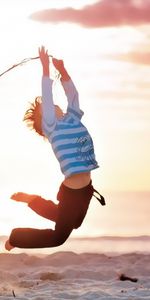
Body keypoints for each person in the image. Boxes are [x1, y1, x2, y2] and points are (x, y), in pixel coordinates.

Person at [5, 46, 105, 251]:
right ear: (45, 120)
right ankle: (15, 237)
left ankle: (33, 201)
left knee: (73, 222)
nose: (53, 106)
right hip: (72, 191)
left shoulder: (72, 117)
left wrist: (63, 71)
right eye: (47, 110)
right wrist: (45, 68)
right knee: (58, 237)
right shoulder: (52, 127)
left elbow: (73, 96)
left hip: (85, 188)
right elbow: (47, 97)